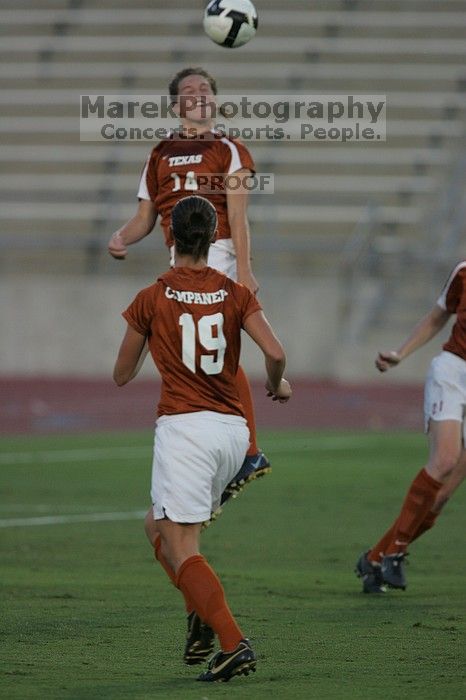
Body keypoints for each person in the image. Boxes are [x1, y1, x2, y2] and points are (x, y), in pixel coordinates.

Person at [113, 195, 291, 681]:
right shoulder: (235, 292)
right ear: (214, 238)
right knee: (157, 528)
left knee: (182, 547)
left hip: (185, 431)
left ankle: (232, 642)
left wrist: (157, 335)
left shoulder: (152, 297)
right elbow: (275, 352)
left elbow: (122, 374)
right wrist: (276, 386)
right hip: (232, 435)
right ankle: (201, 608)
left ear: (171, 238)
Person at [108, 67, 269, 508]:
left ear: (214, 101)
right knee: (202, 356)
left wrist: (246, 270)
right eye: (188, 90)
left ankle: (247, 452)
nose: (197, 94)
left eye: (205, 88)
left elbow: (237, 216)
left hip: (216, 253)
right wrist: (121, 236)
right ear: (176, 105)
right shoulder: (159, 153)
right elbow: (145, 216)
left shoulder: (229, 148)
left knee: (212, 351)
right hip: (178, 259)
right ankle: (230, 451)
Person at [356, 261, 466, 593]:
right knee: (446, 459)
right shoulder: (463, 272)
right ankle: (396, 552)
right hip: (454, 370)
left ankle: (375, 558)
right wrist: (400, 354)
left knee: (440, 498)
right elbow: (437, 316)